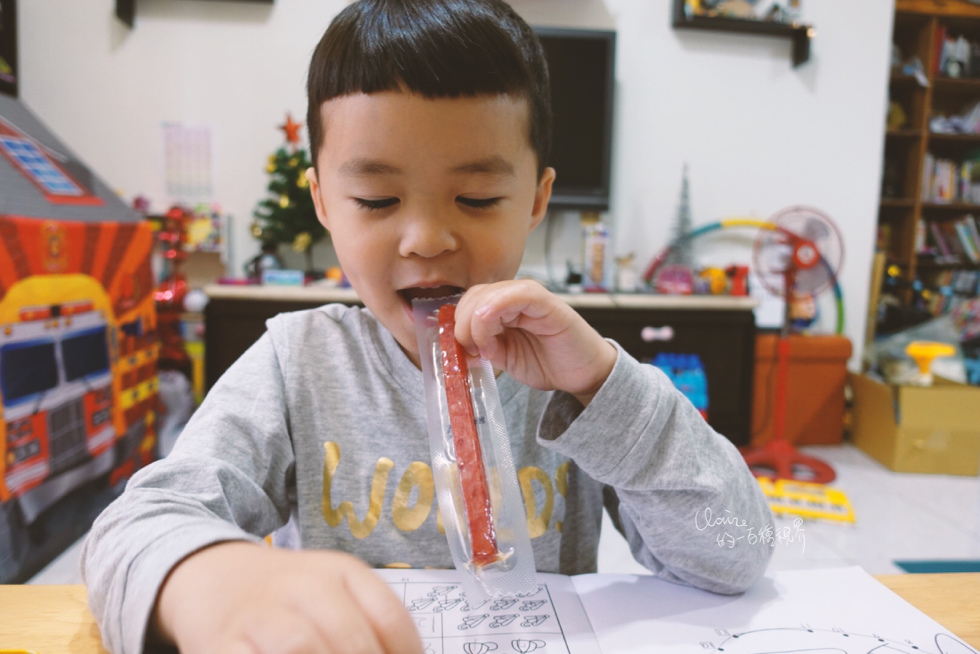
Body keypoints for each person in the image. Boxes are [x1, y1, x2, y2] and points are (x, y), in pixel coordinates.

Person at [81, 1, 773, 652]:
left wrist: (604, 387)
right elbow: (132, 529)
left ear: (536, 200)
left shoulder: (577, 376)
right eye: (377, 199)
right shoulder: (297, 364)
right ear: (323, 201)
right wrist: (213, 583)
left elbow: (737, 551)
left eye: (477, 198)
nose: (426, 238)